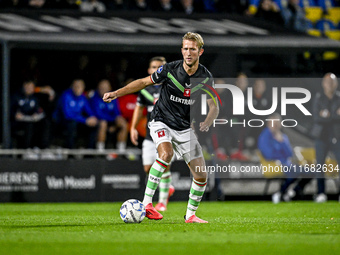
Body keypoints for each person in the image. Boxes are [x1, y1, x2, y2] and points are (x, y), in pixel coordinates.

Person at [103, 32, 219, 223]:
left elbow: (214, 106)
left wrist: (208, 121)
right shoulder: (170, 69)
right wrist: (117, 93)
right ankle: (147, 204)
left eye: (192, 49)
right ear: (182, 50)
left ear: (200, 51)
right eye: (185, 49)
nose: (188, 53)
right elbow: (143, 82)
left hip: (183, 127)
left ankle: (190, 215)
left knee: (201, 175)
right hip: (161, 120)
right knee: (166, 154)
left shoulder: (205, 77)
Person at [130, 56, 175, 212]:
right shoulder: (145, 90)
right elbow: (138, 109)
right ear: (149, 70)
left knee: (165, 164)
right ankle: (167, 187)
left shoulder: (172, 86)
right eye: (154, 67)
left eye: (160, 67)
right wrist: (133, 127)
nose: (157, 70)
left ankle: (162, 202)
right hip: (150, 135)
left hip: (167, 134)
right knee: (148, 168)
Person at [258, 113, 312, 203]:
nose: (275, 125)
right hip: (273, 164)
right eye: (273, 123)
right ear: (269, 124)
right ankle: (281, 192)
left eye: (277, 123)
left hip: (286, 163)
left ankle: (293, 191)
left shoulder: (283, 137)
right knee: (294, 171)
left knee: (310, 172)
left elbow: (289, 154)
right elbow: (268, 154)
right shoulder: (264, 137)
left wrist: (282, 142)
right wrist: (280, 155)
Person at [311, 73, 340, 203]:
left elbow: (324, 116)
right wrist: (334, 115)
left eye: (332, 82)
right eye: (327, 81)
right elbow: (316, 118)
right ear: (323, 83)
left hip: (337, 136)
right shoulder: (318, 98)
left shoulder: (339, 98)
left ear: (336, 83)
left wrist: (327, 115)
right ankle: (321, 193)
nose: (330, 84)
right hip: (321, 137)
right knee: (320, 166)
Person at [53, 79, 98, 149]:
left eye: (80, 87)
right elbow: (67, 115)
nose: (77, 89)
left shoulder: (83, 98)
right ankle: (70, 150)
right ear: (72, 87)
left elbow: (89, 111)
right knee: (72, 123)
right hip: (62, 121)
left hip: (78, 120)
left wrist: (92, 118)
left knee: (94, 123)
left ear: (83, 88)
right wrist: (85, 120)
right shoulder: (66, 95)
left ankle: (90, 150)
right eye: (75, 86)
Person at [89, 79, 128, 152]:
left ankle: (121, 149)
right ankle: (100, 149)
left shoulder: (113, 97)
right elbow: (98, 114)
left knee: (122, 122)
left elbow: (117, 113)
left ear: (109, 88)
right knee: (103, 123)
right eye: (101, 88)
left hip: (111, 120)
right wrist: (110, 123)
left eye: (105, 88)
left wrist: (114, 126)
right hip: (100, 121)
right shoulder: (95, 98)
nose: (103, 90)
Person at [11, 80, 48, 149]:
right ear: (24, 86)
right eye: (28, 87)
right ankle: (27, 149)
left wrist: (36, 114)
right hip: (18, 122)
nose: (29, 89)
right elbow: (11, 110)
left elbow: (38, 110)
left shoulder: (35, 98)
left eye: (31, 87)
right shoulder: (16, 96)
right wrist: (15, 114)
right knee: (29, 126)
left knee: (45, 123)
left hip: (31, 120)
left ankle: (42, 148)